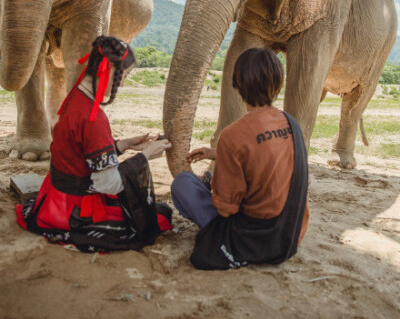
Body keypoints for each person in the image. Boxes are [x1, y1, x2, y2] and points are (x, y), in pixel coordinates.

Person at [16, 35, 172, 253]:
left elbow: (80, 151)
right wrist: (145, 156)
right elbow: (109, 185)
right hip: (74, 210)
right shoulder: (94, 118)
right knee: (160, 215)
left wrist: (124, 145)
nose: (123, 82)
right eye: (123, 75)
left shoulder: (75, 97)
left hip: (52, 197)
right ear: (108, 70)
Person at [171, 47, 309, 270]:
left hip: (253, 239)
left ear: (237, 85)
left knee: (183, 184)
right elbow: (266, 152)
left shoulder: (233, 135)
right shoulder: (292, 125)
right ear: (278, 84)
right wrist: (217, 155)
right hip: (291, 234)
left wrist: (219, 175)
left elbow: (227, 209)